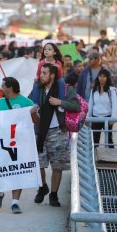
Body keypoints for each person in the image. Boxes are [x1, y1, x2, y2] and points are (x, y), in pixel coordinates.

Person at [0, 77, 39, 214]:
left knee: (18, 171)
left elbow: (37, 121)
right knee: (1, 169)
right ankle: (0, 193)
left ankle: (15, 203)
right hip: (2, 144)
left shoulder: (26, 102)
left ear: (10, 88)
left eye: (3, 86)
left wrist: (32, 113)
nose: (1, 88)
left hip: (20, 144)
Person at [31, 64, 80, 207]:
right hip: (40, 132)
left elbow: (76, 106)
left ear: (52, 75)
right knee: (38, 164)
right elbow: (27, 103)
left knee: (57, 166)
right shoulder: (37, 89)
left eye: (44, 73)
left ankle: (53, 194)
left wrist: (60, 102)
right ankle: (42, 187)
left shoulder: (65, 89)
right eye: (41, 72)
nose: (41, 75)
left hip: (58, 132)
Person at [87, 68, 117, 148]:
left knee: (109, 139)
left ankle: (111, 156)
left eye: (104, 76)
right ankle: (95, 158)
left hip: (107, 117)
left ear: (107, 78)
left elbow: (114, 105)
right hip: (95, 117)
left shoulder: (111, 90)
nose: (102, 78)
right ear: (98, 77)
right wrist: (88, 118)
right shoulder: (94, 90)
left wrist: (113, 118)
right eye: (100, 76)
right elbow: (90, 105)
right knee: (95, 139)